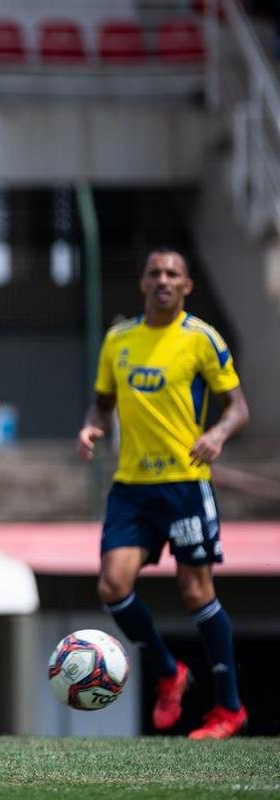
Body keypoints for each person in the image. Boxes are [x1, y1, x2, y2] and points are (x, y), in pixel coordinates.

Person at [77, 249, 251, 740]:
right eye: (154, 273)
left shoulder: (202, 339)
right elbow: (101, 403)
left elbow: (238, 408)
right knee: (112, 586)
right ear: (143, 282)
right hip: (131, 487)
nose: (163, 280)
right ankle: (168, 671)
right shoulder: (119, 339)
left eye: (172, 274)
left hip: (184, 484)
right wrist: (91, 428)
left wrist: (216, 435)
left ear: (187, 286)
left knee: (196, 590)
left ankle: (229, 709)